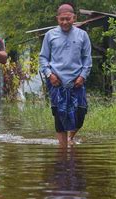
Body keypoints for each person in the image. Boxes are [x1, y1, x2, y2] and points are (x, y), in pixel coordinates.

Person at [39, 3, 92, 148]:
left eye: (68, 19)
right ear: (57, 19)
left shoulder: (82, 35)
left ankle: (70, 138)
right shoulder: (50, 35)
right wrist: (50, 75)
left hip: (77, 81)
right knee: (59, 114)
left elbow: (87, 59)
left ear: (74, 18)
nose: (65, 22)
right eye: (62, 19)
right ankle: (62, 149)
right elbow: (43, 58)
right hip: (56, 81)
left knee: (80, 113)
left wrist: (83, 76)